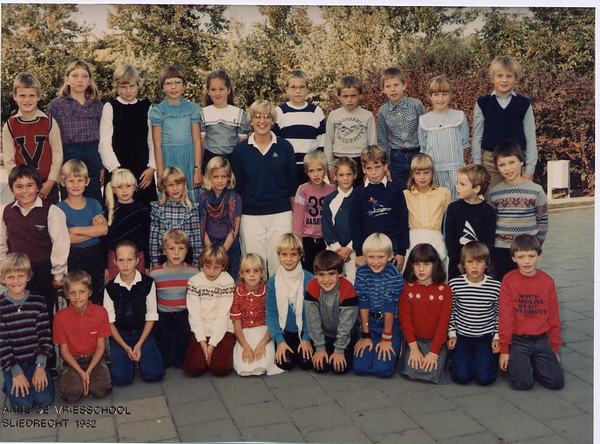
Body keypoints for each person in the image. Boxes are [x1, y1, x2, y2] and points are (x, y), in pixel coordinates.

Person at [232, 99, 297, 277]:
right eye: (257, 116)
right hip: (251, 217)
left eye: (267, 116)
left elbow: (292, 186)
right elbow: (238, 189)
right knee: (254, 269)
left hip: (281, 215)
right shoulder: (240, 151)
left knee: (280, 266)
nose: (262, 121)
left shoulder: (284, 147)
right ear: (251, 120)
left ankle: (278, 296)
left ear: (273, 121)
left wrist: (295, 218)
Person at [0, 166, 69, 325]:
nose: (25, 191)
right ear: (11, 189)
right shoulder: (5, 211)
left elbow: (60, 244)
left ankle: (45, 341)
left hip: (43, 273)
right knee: (19, 315)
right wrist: (3, 268)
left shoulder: (51, 211)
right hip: (17, 273)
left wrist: (58, 274)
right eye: (19, 186)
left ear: (38, 187)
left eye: (29, 185)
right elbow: (2, 243)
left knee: (43, 314)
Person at [498, 234, 564, 390]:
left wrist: (554, 348)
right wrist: (504, 350)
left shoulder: (547, 281)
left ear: (539, 256)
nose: (526, 261)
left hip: (541, 338)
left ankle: (534, 363)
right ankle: (521, 363)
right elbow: (505, 316)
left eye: (531, 256)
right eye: (521, 257)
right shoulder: (508, 280)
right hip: (518, 339)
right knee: (523, 384)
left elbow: (554, 317)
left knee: (556, 383)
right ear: (513, 258)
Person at [103, 241, 164, 386]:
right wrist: (125, 347)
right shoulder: (110, 288)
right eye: (121, 260)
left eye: (129, 260)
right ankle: (126, 358)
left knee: (154, 375)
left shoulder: (148, 283)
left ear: (137, 260)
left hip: (143, 333)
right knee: (121, 379)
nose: (125, 265)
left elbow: (151, 316)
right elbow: (110, 323)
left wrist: (139, 344)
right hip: (120, 336)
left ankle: (140, 355)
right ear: (114, 261)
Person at [472, 55, 537, 189]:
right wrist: (477, 166)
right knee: (492, 198)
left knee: (517, 198)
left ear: (515, 78)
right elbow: (477, 137)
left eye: (509, 76)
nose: (504, 80)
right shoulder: (483, 103)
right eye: (500, 76)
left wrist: (530, 169)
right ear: (492, 78)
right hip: (490, 163)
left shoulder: (524, 103)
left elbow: (531, 137)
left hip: (517, 161)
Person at [0, 253, 54, 409]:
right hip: (13, 362)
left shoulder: (38, 301)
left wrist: (40, 367)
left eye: (20, 276)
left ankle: (32, 378)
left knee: (45, 400)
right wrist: (16, 373)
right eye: (10, 277)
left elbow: (45, 337)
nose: (16, 281)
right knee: (23, 406)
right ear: (2, 279)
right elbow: (2, 344)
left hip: (35, 360)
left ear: (28, 277)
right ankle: (10, 380)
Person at [488, 142, 548, 281]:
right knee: (503, 283)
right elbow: (491, 221)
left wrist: (537, 244)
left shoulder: (536, 190)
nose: (508, 168)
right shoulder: (494, 192)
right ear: (497, 167)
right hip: (501, 249)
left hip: (526, 249)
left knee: (526, 283)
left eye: (512, 162)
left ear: (521, 161)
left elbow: (543, 220)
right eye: (502, 165)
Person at [98, 64, 157, 205]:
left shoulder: (146, 107)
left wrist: (151, 167)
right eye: (123, 87)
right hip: (117, 168)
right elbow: (104, 142)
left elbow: (152, 140)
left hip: (143, 171)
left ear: (138, 85)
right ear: (116, 87)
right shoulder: (110, 107)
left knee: (144, 210)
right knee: (116, 211)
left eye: (132, 86)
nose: (128, 91)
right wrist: (115, 170)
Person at [2, 72, 63, 203]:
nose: (27, 100)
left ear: (39, 96)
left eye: (31, 95)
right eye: (22, 95)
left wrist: (50, 182)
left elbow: (58, 154)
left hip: (47, 185)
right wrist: (20, 184)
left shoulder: (49, 122)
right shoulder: (10, 125)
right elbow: (9, 160)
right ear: (15, 96)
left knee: (50, 215)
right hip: (23, 188)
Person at [48, 60, 103, 202]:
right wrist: (57, 168)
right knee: (70, 200)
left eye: (84, 76)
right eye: (75, 75)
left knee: (94, 200)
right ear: (67, 80)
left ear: (89, 81)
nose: (80, 80)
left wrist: (102, 166)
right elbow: (52, 140)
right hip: (68, 156)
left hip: (92, 157)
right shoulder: (56, 105)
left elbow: (103, 137)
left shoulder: (97, 105)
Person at [447, 242, 501, 385]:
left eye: (479, 262)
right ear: (463, 264)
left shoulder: (495, 286)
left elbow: (499, 314)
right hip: (462, 336)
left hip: (485, 336)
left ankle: (485, 361)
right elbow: (451, 311)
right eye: (470, 262)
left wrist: (497, 337)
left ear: (487, 264)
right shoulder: (455, 284)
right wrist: (452, 334)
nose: (475, 266)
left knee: (485, 379)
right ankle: (459, 360)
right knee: (462, 377)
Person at [53, 271, 111, 403]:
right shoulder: (60, 317)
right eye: (72, 293)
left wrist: (88, 371)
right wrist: (80, 372)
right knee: (71, 395)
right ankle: (77, 379)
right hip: (72, 360)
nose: (77, 297)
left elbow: (101, 347)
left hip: (95, 358)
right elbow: (64, 351)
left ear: (89, 292)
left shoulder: (101, 312)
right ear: (66, 294)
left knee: (100, 390)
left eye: (82, 292)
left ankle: (91, 378)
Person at [399, 243, 452, 384]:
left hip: (436, 342)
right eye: (417, 264)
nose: (421, 269)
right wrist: (414, 349)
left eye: (426, 264)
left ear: (435, 265)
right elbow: (406, 321)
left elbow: (443, 324)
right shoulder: (407, 289)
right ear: (411, 266)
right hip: (414, 341)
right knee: (412, 371)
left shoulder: (445, 290)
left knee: (432, 371)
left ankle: (443, 360)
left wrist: (434, 352)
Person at [57, 160, 108, 305]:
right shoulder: (59, 208)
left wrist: (74, 230)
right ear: (63, 182)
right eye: (71, 181)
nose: (75, 185)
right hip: (73, 256)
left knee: (96, 295)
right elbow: (66, 239)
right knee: (76, 295)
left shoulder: (94, 204)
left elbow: (103, 230)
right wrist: (92, 230)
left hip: (95, 255)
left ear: (87, 181)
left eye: (79, 180)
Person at [352, 233, 403, 378]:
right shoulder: (361, 272)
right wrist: (365, 335)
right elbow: (363, 303)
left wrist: (386, 338)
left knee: (382, 370)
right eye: (371, 257)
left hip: (390, 325)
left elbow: (389, 306)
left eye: (381, 257)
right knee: (361, 368)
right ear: (364, 256)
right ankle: (371, 345)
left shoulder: (394, 274)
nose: (375, 262)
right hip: (369, 323)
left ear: (390, 256)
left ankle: (395, 346)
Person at [149, 65, 202, 201]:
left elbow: (197, 140)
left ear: (184, 85)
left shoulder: (193, 108)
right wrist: (160, 174)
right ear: (162, 87)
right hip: (168, 159)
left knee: (190, 198)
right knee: (170, 194)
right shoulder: (158, 110)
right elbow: (157, 145)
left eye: (177, 82)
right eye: (168, 83)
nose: (173, 87)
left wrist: (197, 169)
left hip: (189, 159)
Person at [183, 245, 236, 377]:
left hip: (223, 330)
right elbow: (194, 314)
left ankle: (215, 357)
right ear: (202, 264)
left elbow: (224, 314)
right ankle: (206, 359)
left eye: (216, 267)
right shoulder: (194, 281)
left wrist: (212, 344)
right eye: (207, 266)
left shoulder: (227, 280)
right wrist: (202, 342)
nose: (211, 271)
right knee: (192, 369)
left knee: (221, 369)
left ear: (223, 266)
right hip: (202, 329)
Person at [353, 146, 409, 270]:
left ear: (385, 166)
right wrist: (358, 253)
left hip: (393, 247)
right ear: (363, 169)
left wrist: (402, 251)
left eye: (377, 167)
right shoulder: (358, 193)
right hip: (368, 249)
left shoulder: (396, 190)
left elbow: (403, 220)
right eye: (369, 168)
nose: (373, 172)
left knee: (392, 279)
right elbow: (355, 224)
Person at [149, 229, 198, 369]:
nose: (176, 253)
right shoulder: (155, 274)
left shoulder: (193, 273)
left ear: (187, 250)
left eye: (181, 248)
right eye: (171, 249)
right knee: (163, 359)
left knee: (181, 360)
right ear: (164, 251)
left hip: (184, 316)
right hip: (163, 317)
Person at [304, 250, 358, 374]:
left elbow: (346, 325)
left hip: (346, 335)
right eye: (321, 275)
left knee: (339, 368)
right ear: (316, 275)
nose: (326, 279)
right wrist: (319, 348)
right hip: (325, 335)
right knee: (320, 367)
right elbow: (313, 320)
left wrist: (339, 350)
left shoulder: (348, 289)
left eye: (331, 274)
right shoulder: (312, 287)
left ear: (340, 274)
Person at [265, 233, 313, 371]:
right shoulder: (273, 281)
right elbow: (271, 313)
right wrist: (279, 341)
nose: (288, 259)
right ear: (278, 256)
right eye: (284, 254)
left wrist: (306, 338)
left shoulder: (309, 279)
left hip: (305, 331)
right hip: (284, 332)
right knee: (286, 363)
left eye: (293, 254)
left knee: (306, 363)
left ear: (300, 255)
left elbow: (313, 313)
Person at [230, 253, 282, 376]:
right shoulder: (237, 292)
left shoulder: (267, 291)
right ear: (241, 274)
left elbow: (273, 320)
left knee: (263, 362)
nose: (252, 275)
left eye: (256, 271)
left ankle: (266, 356)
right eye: (247, 271)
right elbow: (237, 325)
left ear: (262, 273)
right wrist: (245, 346)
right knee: (243, 365)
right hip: (244, 333)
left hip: (265, 332)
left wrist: (263, 343)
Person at [418, 75, 468, 200]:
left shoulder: (459, 117)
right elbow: (423, 148)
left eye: (444, 94)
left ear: (450, 95)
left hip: (455, 171)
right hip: (434, 172)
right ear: (430, 96)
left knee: (457, 202)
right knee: (438, 203)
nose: (440, 99)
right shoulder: (424, 120)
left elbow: (464, 145)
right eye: (436, 94)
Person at [274, 69, 326, 186]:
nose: (298, 91)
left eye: (302, 87)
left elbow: (322, 141)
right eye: (293, 87)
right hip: (287, 167)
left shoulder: (316, 111)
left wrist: (319, 165)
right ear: (286, 89)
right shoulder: (279, 111)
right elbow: (275, 141)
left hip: (310, 169)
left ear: (307, 89)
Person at [444, 164, 496, 280]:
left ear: (476, 189)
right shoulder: (453, 208)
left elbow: (489, 241)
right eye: (457, 183)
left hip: (479, 267)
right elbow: (449, 238)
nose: (457, 187)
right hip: (457, 266)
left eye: (462, 184)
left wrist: (479, 262)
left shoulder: (488, 211)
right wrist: (458, 261)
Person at [376, 66, 425, 188]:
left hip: (417, 154)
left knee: (420, 189)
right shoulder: (383, 111)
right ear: (383, 90)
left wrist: (425, 155)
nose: (392, 89)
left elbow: (425, 132)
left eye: (396, 85)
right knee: (399, 192)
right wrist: (386, 164)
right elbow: (382, 140)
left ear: (404, 85)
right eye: (388, 86)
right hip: (396, 158)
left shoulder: (416, 105)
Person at [324, 75, 376, 186]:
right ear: (339, 96)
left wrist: (370, 167)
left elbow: (372, 144)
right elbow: (328, 142)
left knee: (360, 193)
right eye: (345, 96)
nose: (349, 100)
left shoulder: (367, 116)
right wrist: (329, 166)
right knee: (341, 193)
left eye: (353, 96)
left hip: (360, 160)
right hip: (339, 159)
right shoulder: (334, 115)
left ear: (360, 95)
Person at [403, 154, 451, 268]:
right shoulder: (405, 194)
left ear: (432, 173)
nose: (422, 177)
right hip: (414, 239)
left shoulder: (443, 193)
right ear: (412, 174)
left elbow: (450, 219)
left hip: (436, 238)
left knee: (436, 270)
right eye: (418, 173)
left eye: (426, 173)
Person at [198, 156, 242, 280]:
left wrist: (222, 252)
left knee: (230, 280)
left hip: (229, 245)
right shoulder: (202, 198)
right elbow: (202, 227)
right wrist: (210, 251)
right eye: (216, 176)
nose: (220, 180)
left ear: (229, 177)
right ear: (209, 177)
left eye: (224, 176)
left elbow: (234, 229)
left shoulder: (235, 198)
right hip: (209, 244)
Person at [149, 167, 202, 267]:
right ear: (165, 187)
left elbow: (197, 240)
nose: (175, 188)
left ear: (184, 185)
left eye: (178, 184)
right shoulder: (157, 208)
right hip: (163, 259)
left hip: (187, 259)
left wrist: (195, 266)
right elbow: (154, 241)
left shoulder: (192, 209)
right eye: (170, 185)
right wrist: (155, 266)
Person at [292, 150, 335, 272]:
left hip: (326, 241)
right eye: (311, 171)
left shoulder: (332, 190)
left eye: (319, 170)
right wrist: (298, 244)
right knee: (309, 274)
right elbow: (297, 220)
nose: (316, 174)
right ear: (306, 172)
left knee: (326, 272)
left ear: (325, 170)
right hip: (308, 241)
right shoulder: (303, 190)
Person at [105, 168, 150, 280]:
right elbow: (104, 242)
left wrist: (147, 265)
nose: (124, 191)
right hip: (115, 258)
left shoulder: (142, 209)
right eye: (120, 187)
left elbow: (147, 238)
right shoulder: (109, 211)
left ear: (134, 187)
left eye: (128, 186)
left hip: (138, 257)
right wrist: (105, 267)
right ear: (113, 189)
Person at [200, 69, 249, 170]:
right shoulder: (203, 113)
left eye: (221, 89)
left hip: (232, 161)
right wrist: (199, 167)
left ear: (228, 90)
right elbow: (201, 144)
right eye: (213, 89)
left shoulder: (239, 114)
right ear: (208, 91)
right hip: (210, 160)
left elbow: (242, 145)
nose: (217, 93)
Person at [321, 156, 359, 283]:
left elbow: (362, 225)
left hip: (354, 251)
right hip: (334, 251)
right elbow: (326, 226)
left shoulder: (360, 197)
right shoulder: (329, 200)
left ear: (355, 175)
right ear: (335, 176)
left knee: (352, 283)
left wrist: (349, 248)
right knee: (333, 283)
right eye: (341, 175)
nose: (345, 178)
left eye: (349, 174)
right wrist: (337, 250)